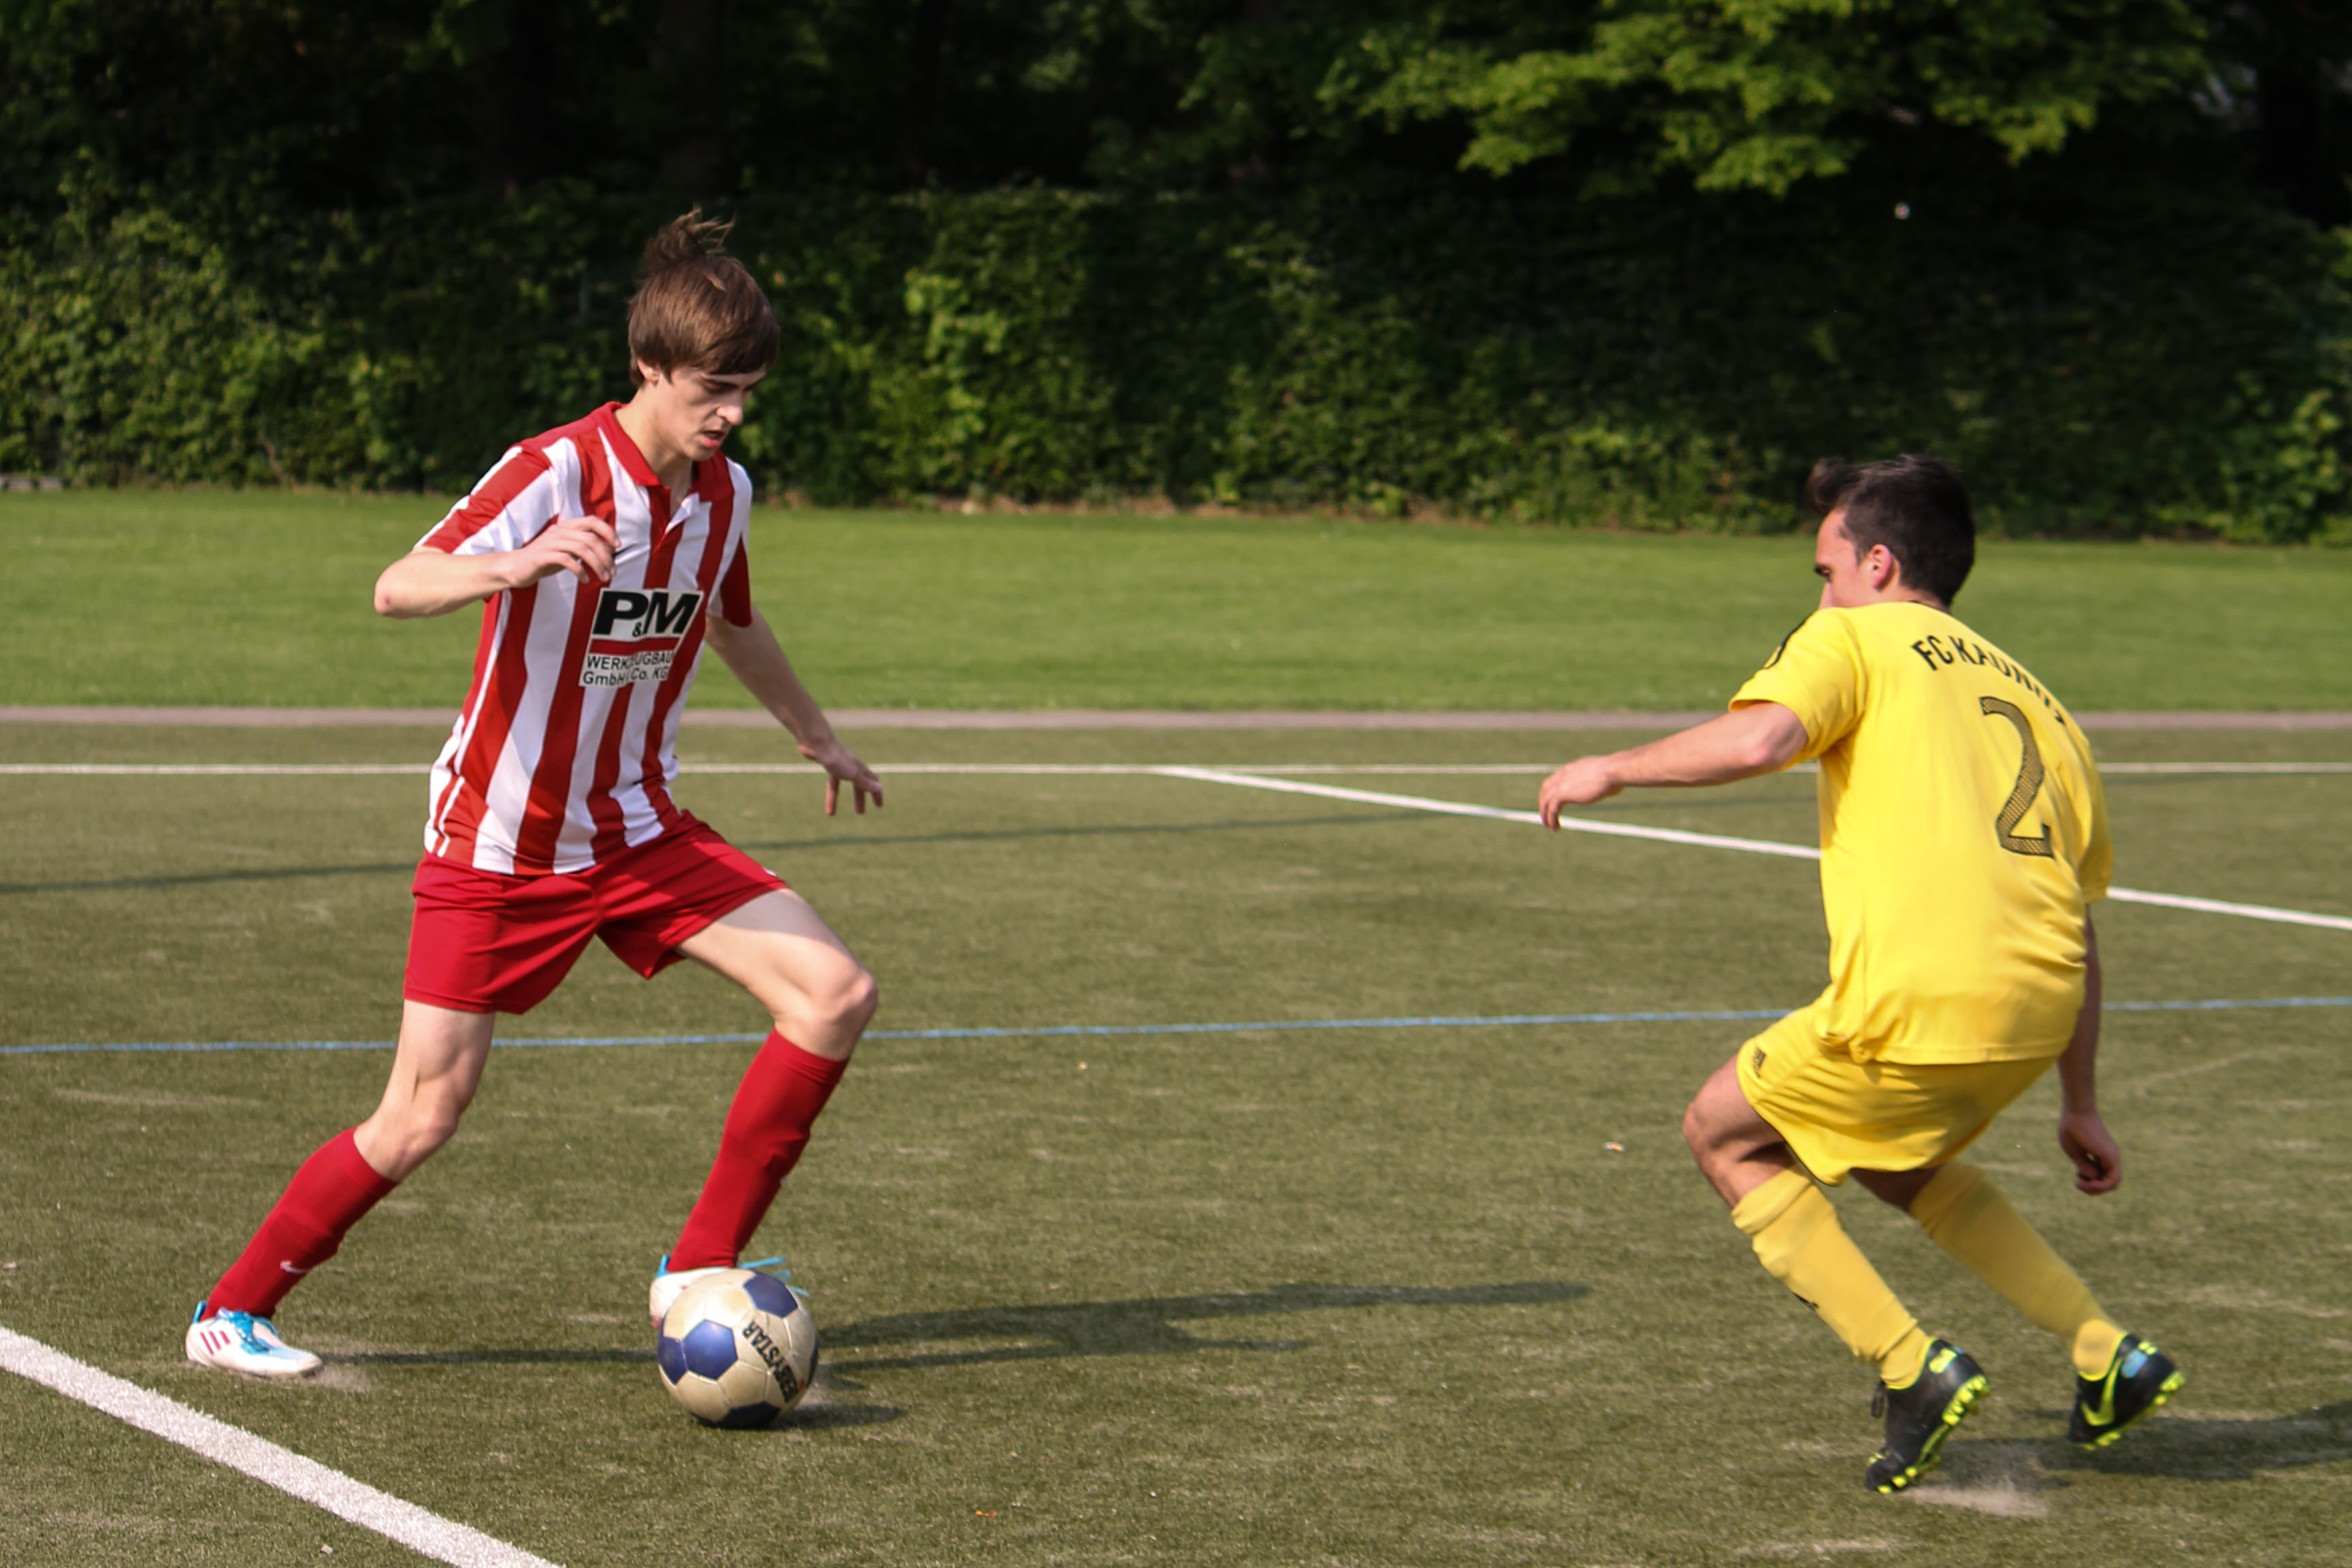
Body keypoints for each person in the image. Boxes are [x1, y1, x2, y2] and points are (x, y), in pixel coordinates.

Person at [186, 212, 885, 1378]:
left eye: (748, 392)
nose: (732, 414)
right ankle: (232, 1311)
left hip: (639, 829)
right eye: (714, 389)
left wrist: (819, 738)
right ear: (650, 366)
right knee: (423, 1114)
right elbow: (397, 585)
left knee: (834, 994)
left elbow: (731, 620)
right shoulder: (552, 469)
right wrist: (508, 565)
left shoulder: (725, 494)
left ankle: (693, 1271)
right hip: (501, 842)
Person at [1537, 454, 2183, 1493]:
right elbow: (2081, 918)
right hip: (2039, 1007)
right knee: (1894, 1159)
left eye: (1826, 571)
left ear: (1879, 565)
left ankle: (1910, 1367)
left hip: (1922, 997)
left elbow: (1768, 735)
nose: (1822, 595)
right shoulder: (2047, 705)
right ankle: (2107, 1351)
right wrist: (2081, 1101)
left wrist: (1610, 766)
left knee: (1723, 1132)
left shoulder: (1854, 635)